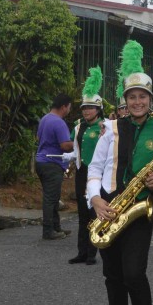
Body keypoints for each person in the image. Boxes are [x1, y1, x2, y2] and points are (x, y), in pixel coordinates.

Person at [87, 41, 153, 305]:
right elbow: (94, 167)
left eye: (142, 97)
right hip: (108, 205)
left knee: (134, 273)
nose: (137, 102)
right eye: (132, 97)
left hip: (139, 210)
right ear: (125, 100)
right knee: (113, 277)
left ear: (150, 100)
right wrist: (94, 198)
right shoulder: (110, 129)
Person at [66, 68, 106, 264]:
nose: (86, 110)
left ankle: (92, 252)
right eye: (84, 107)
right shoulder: (78, 126)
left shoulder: (105, 126)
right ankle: (81, 252)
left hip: (98, 174)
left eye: (90, 107)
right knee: (82, 213)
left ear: (98, 109)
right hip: (82, 172)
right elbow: (75, 148)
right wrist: (70, 157)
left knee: (94, 212)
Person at [35, 94, 74, 240]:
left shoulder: (45, 118)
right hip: (53, 163)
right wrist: (77, 142)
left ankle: (56, 227)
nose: (69, 110)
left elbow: (39, 138)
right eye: (69, 107)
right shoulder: (59, 122)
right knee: (51, 198)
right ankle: (48, 230)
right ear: (64, 106)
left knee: (53, 196)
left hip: (41, 161)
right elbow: (64, 145)